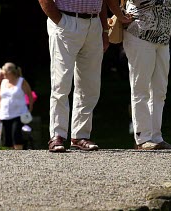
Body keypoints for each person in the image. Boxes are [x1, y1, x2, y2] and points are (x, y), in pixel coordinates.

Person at [38, 0, 132, 152]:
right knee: (61, 82)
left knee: (89, 84)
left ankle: (80, 136)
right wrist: (60, 21)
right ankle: (57, 135)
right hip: (65, 20)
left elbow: (102, 2)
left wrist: (104, 30)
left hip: (93, 23)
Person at [123, 0, 171, 150]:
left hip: (163, 38)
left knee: (159, 91)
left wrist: (167, 15)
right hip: (139, 34)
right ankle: (142, 138)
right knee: (141, 88)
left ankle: (156, 137)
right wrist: (120, 16)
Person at [0, 62, 34, 150]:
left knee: (16, 135)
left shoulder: (21, 81)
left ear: (9, 72)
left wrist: (30, 108)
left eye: (4, 71)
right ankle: (9, 159)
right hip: (5, 114)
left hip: (19, 114)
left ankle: (19, 155)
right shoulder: (3, 82)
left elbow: (30, 94)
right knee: (7, 139)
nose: (3, 73)